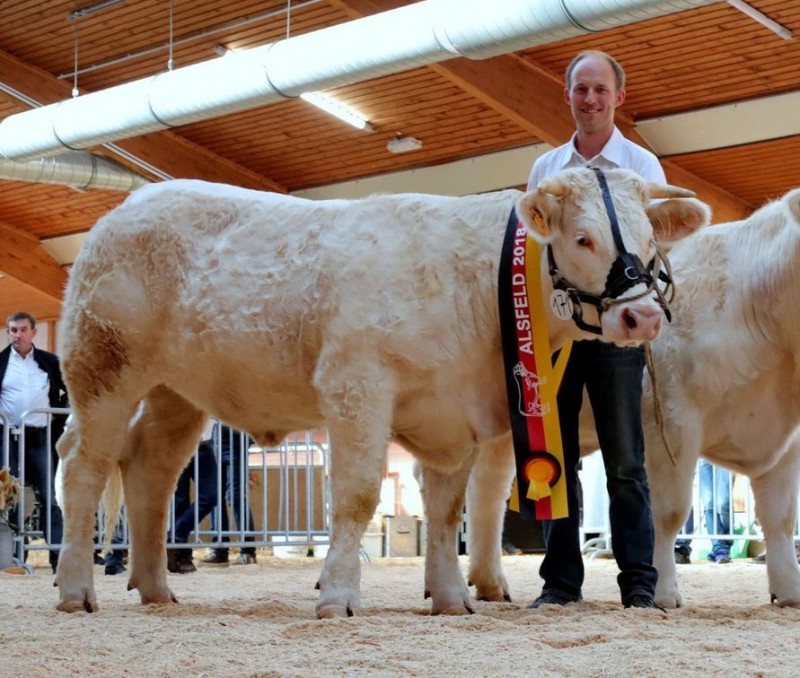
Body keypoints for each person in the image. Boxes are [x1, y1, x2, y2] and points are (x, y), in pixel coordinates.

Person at [524, 50, 663, 610]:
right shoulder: (546, 170)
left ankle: (638, 585)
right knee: (554, 460)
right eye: (581, 89)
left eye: (601, 90)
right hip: (558, 333)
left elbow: (653, 251)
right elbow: (532, 254)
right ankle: (560, 584)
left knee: (625, 461)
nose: (591, 99)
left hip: (615, 332)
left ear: (618, 97)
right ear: (568, 96)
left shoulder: (642, 168)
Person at [0, 311, 68, 574]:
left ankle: (58, 559)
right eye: (13, 330)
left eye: (22, 330)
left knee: (50, 498)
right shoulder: (2, 362)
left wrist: (60, 414)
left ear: (33, 332)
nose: (17, 335)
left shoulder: (49, 362)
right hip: (8, 439)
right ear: (8, 332)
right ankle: (16, 557)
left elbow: (70, 388)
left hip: (40, 438)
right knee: (11, 499)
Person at [201, 424, 258, 566]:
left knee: (235, 495)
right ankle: (219, 550)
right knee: (216, 497)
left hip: (236, 439)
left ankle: (248, 551)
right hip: (215, 441)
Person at [168, 425, 218, 574]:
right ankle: (183, 555)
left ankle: (174, 537)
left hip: (203, 445)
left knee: (211, 496)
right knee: (179, 501)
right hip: (177, 444)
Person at [674, 460, 734, 565]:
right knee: (709, 502)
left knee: (723, 502)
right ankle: (719, 547)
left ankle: (725, 542)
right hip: (704, 454)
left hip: (726, 451)